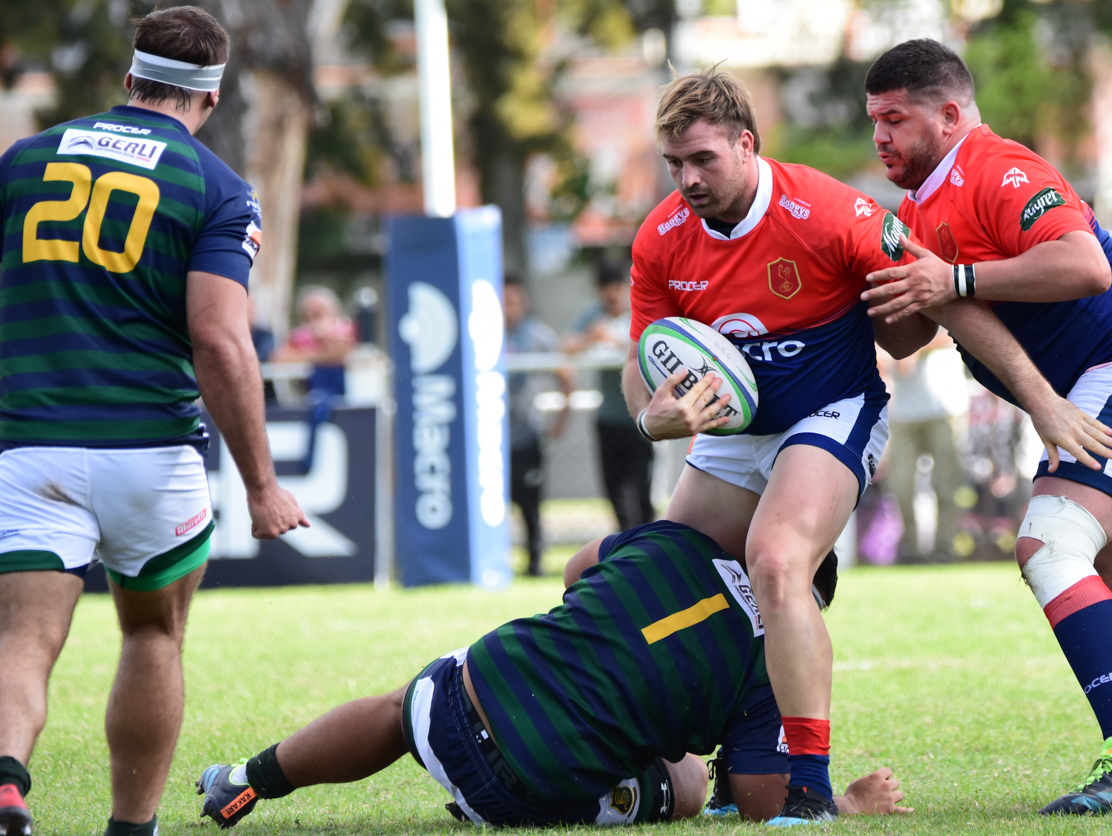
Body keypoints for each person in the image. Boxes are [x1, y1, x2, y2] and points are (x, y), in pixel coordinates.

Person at [623, 68, 1105, 823]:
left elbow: (936, 301)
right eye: (674, 164)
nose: (687, 181)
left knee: (775, 560)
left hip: (830, 411)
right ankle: (734, 750)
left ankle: (809, 786)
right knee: (665, 580)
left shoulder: (828, 212)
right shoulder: (661, 237)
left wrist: (1040, 402)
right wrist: (651, 419)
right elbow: (642, 357)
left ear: (746, 145)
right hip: (732, 429)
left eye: (703, 160)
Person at [861, 39, 1112, 814]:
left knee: (1047, 544)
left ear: (949, 114)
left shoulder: (997, 167)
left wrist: (954, 278)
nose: (880, 137)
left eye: (894, 119)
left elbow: (1085, 265)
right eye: (874, 121)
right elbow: (918, 326)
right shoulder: (919, 207)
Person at [0, 6, 307, 836]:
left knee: (22, 639)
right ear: (210, 99)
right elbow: (220, 340)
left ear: (130, 77)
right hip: (150, 453)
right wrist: (262, 485)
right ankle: (131, 828)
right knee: (153, 636)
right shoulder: (217, 187)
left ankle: (6, 783)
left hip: (29, 446)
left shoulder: (23, 161)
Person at [194, 520, 909, 828]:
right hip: (524, 789)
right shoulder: (776, 659)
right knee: (689, 780)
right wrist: (847, 803)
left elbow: (576, 570)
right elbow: (758, 800)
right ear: (811, 606)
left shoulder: (678, 542)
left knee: (397, 707)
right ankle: (496, 800)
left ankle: (247, 780)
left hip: (462, 696)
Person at [569, 262, 655, 530]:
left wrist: (613, 340)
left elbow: (650, 345)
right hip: (608, 419)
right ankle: (627, 539)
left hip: (639, 417)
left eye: (615, 289)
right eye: (605, 290)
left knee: (642, 487)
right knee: (615, 489)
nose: (611, 295)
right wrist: (591, 338)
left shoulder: (637, 314)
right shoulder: (593, 318)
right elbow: (565, 347)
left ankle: (648, 538)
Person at [879, 333, 969, 563]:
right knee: (900, 484)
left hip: (945, 407)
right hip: (903, 410)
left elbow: (956, 332)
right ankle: (911, 548)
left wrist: (914, 348)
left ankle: (945, 549)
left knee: (947, 483)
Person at [504, 275, 572, 576]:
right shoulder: (481, 332)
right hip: (489, 440)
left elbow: (566, 374)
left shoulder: (536, 335)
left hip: (527, 435)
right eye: (503, 301)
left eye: (513, 301)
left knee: (530, 503)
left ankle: (534, 562)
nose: (508, 307)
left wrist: (562, 417)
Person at [273, 285, 356, 398]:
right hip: (311, 393)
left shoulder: (345, 328)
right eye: (310, 312)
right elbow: (279, 358)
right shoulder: (300, 335)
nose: (314, 313)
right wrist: (322, 355)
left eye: (319, 311)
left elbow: (342, 352)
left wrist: (324, 340)